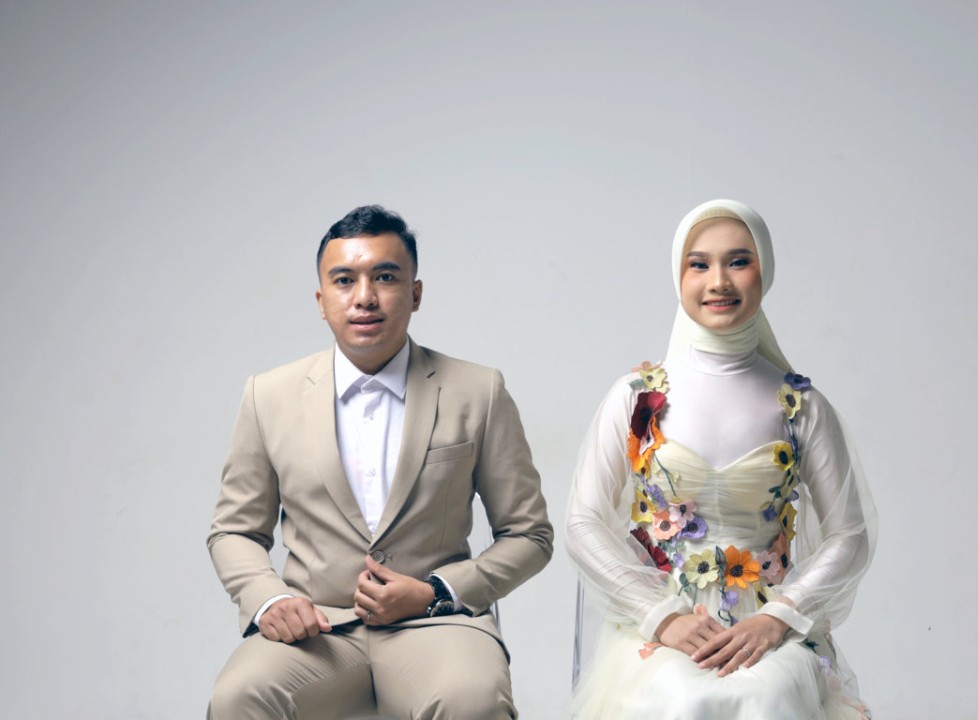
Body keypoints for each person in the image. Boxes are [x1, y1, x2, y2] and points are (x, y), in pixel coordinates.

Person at [207, 204, 553, 719]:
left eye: (385, 277)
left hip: (437, 623)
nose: (365, 296)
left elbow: (530, 535)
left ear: (415, 294)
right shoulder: (268, 395)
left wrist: (438, 592)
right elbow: (234, 530)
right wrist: (268, 599)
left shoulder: (478, 391)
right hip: (316, 627)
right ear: (322, 300)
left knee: (474, 699)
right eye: (344, 280)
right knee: (238, 696)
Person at [566, 199, 876, 719]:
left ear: (765, 271)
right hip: (662, 618)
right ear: (678, 275)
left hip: (768, 626)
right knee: (683, 698)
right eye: (699, 264)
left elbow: (849, 534)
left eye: (738, 261)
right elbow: (582, 523)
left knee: (767, 697)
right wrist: (660, 616)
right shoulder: (636, 398)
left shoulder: (800, 406)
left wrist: (781, 616)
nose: (718, 282)